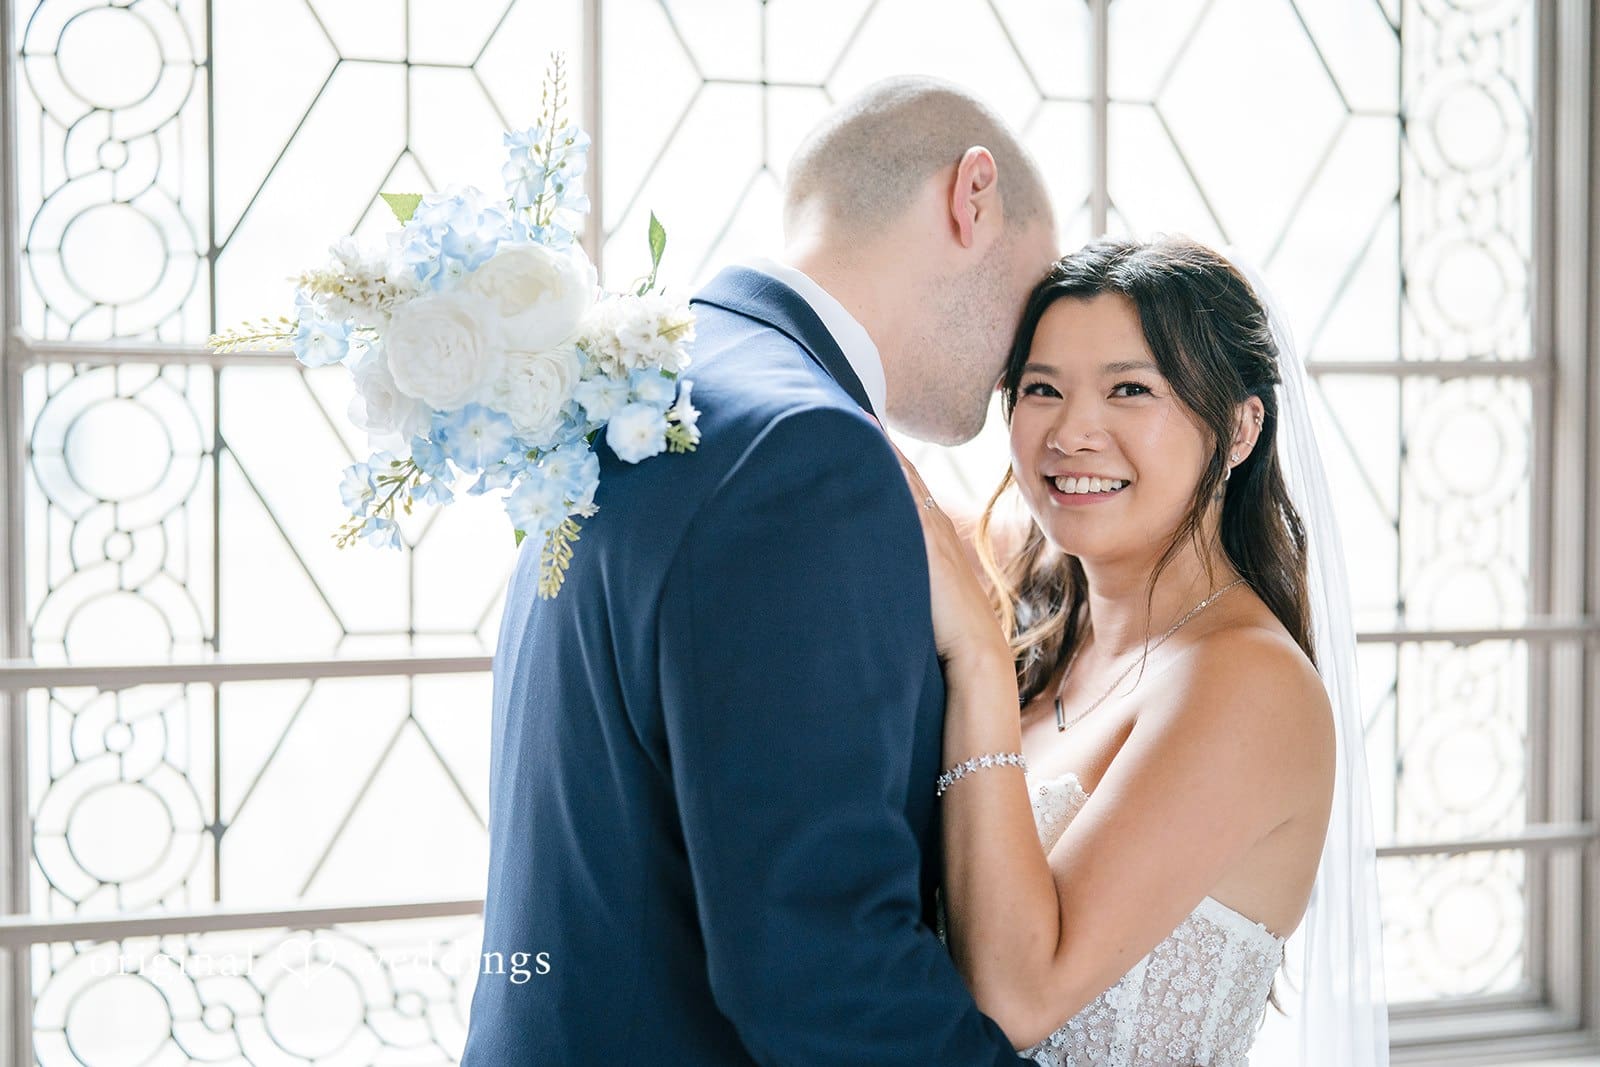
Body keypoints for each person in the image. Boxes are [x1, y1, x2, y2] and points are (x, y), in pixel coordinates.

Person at [461, 76, 1058, 1065]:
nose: (1026, 359)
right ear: (973, 196)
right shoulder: (804, 451)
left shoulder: (656, 388)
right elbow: (820, 963)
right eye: (1039, 290)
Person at [895, 236, 1388, 1065]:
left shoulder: (1247, 681)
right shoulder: (1041, 602)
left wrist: (976, 658)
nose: (1073, 433)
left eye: (1131, 389)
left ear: (1239, 429)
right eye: (1041, 389)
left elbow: (1016, 1001)